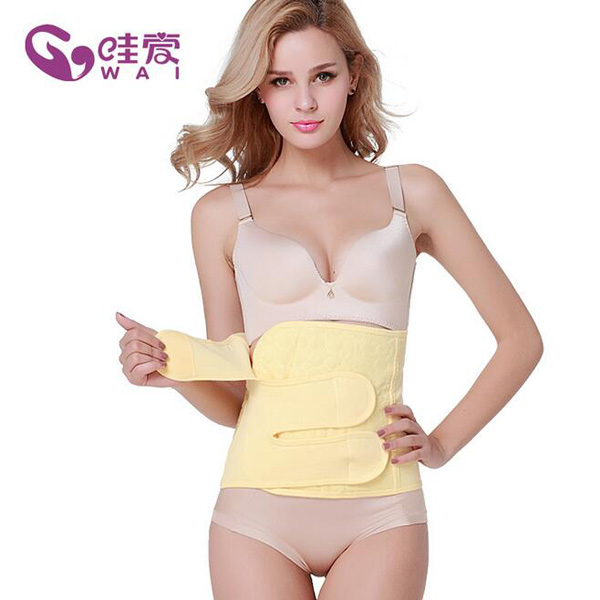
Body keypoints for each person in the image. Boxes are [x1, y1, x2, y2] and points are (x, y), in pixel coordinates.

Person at [116, 1, 544, 598]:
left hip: (382, 510)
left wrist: (442, 444)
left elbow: (521, 340)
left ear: (354, 75)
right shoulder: (220, 215)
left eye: (322, 76)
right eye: (280, 81)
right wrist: (173, 372)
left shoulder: (413, 192)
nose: (305, 102)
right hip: (257, 511)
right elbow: (235, 398)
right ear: (258, 91)